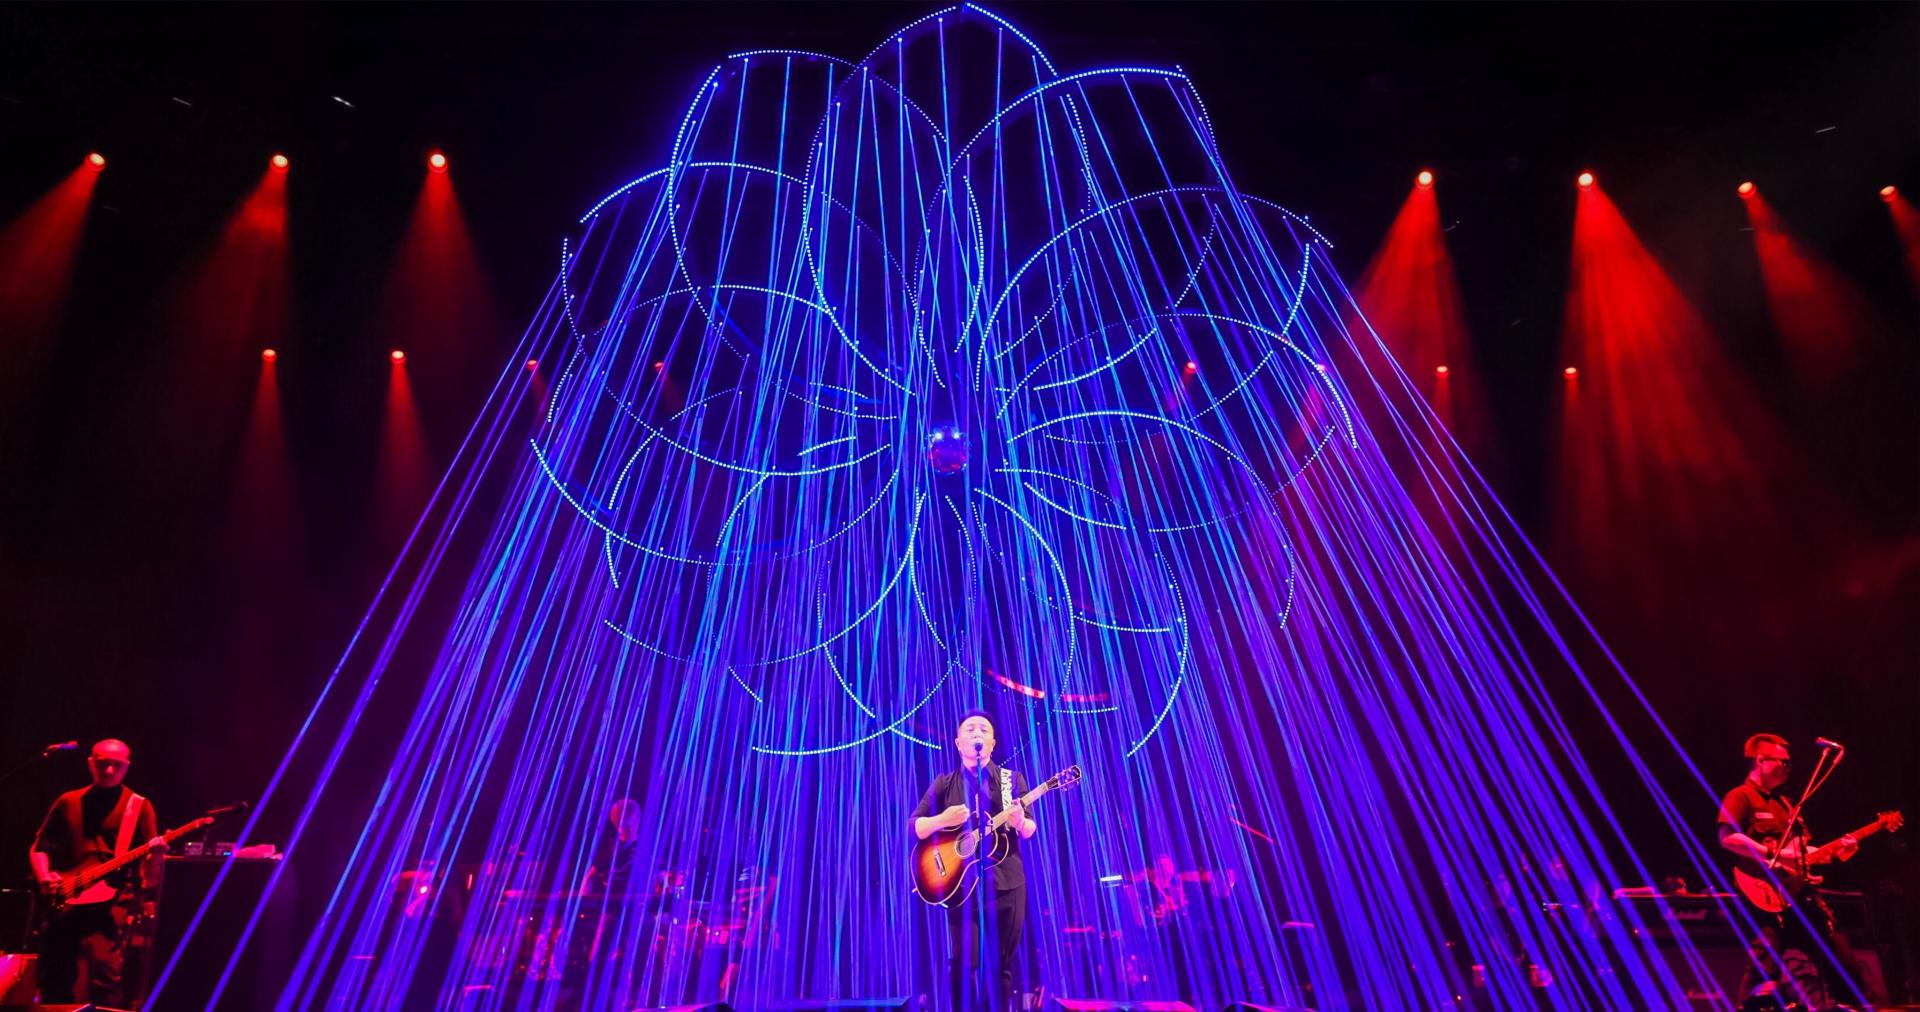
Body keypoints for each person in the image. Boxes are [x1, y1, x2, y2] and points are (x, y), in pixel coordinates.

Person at [1716, 733, 1866, 1007]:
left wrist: (1839, 853)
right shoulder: (1740, 796)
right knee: (1764, 966)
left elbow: (1804, 853)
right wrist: (1772, 855)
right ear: (1761, 760)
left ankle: (1849, 1004)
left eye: (1789, 762)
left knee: (1840, 955)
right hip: (1763, 893)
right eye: (1783, 761)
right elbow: (1727, 838)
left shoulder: (1787, 804)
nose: (1788, 767)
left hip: (1797, 893)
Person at [911, 710, 1036, 1011]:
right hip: (961, 889)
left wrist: (1019, 821)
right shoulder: (944, 784)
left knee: (1000, 966)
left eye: (984, 729)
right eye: (970, 729)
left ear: (992, 743)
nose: (977, 733)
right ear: (958, 743)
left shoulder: (1011, 780)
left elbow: (1030, 829)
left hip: (1006, 884)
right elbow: (914, 826)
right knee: (963, 964)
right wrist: (943, 819)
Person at [29, 738, 166, 1005]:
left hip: (110, 904)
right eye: (103, 764)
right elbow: (39, 849)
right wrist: (44, 877)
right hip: (65, 899)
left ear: (127, 767)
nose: (109, 770)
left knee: (105, 975)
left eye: (117, 765)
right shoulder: (68, 801)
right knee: (54, 976)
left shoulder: (138, 806)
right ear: (90, 763)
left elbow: (150, 875)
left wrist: (157, 856)